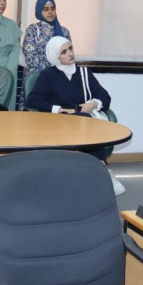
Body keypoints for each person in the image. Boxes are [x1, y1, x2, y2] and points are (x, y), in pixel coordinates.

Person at [26, 36, 125, 195]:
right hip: (59, 121)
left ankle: (101, 170)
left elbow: (105, 97)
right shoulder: (48, 75)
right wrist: (59, 109)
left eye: (70, 48)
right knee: (87, 122)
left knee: (86, 121)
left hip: (83, 120)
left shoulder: (84, 73)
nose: (70, 54)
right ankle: (102, 170)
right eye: (63, 52)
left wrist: (93, 103)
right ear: (55, 57)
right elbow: (32, 100)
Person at [21, 0, 72, 81]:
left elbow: (69, 57)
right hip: (38, 79)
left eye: (53, 8)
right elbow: (31, 61)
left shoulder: (64, 31)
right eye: (46, 9)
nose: (50, 12)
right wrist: (54, 70)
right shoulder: (33, 30)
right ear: (39, 11)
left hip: (61, 79)